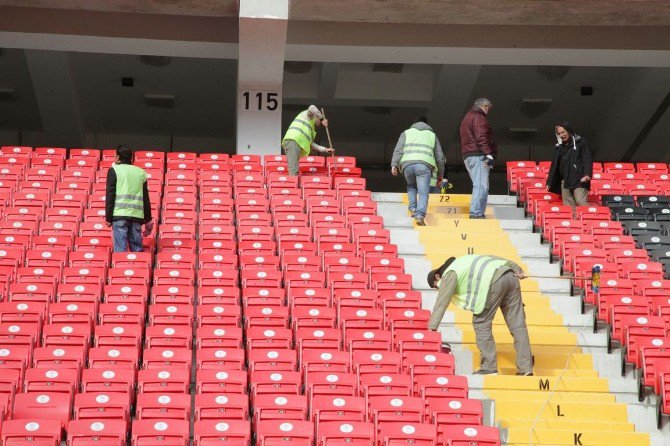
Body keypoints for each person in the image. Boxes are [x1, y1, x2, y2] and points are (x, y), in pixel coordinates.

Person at [427, 254, 533, 376]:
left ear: (437, 276)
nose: (440, 288)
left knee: (481, 322)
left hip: (494, 282)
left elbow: (441, 302)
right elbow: (497, 259)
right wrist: (517, 269)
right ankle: (526, 368)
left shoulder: (449, 273)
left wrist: (432, 327)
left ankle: (489, 368)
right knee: (518, 325)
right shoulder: (464, 261)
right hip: (511, 277)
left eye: (437, 286)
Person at [391, 116, 446, 226]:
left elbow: (398, 150)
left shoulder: (406, 133)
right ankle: (420, 216)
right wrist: (440, 175)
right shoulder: (432, 135)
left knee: (411, 186)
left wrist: (394, 165)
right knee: (423, 192)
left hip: (407, 165)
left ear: (414, 123)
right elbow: (440, 157)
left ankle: (413, 209)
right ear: (427, 125)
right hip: (424, 166)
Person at [105, 144, 153, 252]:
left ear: (118, 157)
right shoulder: (141, 172)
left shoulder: (114, 170)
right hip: (136, 217)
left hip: (120, 216)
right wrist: (148, 219)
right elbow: (146, 198)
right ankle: (138, 268)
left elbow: (110, 195)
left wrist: (108, 218)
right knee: (137, 251)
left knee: (120, 252)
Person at [460, 98, 496, 219]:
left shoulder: (467, 117)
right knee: (481, 185)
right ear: (484, 106)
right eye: (488, 108)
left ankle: (478, 212)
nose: (488, 111)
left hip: (468, 155)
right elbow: (481, 136)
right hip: (477, 155)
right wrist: (488, 154)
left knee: (480, 184)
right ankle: (476, 213)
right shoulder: (478, 118)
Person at [546, 122, 593, 208]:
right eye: (559, 133)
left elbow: (587, 158)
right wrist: (549, 181)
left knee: (580, 201)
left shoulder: (581, 142)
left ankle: (588, 220)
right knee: (568, 206)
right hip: (565, 180)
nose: (561, 135)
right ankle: (573, 221)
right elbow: (554, 165)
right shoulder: (559, 147)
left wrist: (587, 174)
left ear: (569, 131)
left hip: (579, 179)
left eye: (563, 132)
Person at [282, 105, 334, 176]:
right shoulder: (309, 116)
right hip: (293, 140)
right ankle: (293, 186)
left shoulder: (311, 129)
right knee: (293, 171)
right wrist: (322, 119)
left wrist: (325, 149)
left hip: (295, 143)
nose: (319, 124)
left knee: (294, 170)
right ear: (317, 116)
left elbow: (311, 144)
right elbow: (312, 107)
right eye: (319, 121)